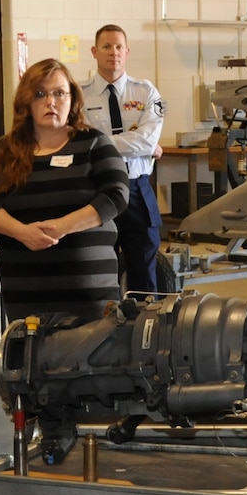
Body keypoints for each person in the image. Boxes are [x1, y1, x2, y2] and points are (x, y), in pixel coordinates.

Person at [0, 58, 129, 325]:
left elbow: (116, 195)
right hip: (25, 289)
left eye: (59, 93)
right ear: (26, 102)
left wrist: (61, 227)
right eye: (40, 94)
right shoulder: (3, 151)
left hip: (89, 291)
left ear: (72, 99)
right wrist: (22, 232)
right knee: (30, 360)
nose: (51, 102)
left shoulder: (93, 142)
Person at [80, 24, 166, 294]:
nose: (113, 53)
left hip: (137, 189)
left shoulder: (146, 92)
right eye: (106, 46)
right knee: (99, 269)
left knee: (143, 269)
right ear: (94, 51)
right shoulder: (78, 95)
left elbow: (147, 140)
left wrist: (100, 144)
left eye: (118, 47)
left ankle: (146, 329)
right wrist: (135, 145)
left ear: (127, 52)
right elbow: (80, 142)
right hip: (96, 189)